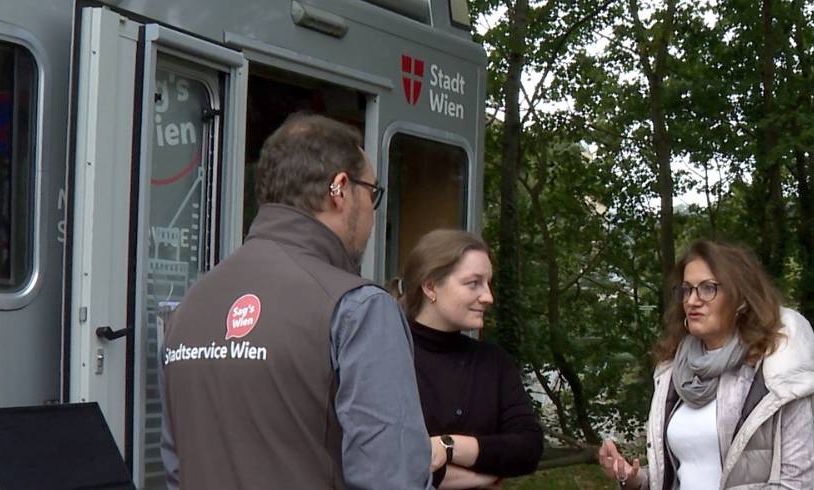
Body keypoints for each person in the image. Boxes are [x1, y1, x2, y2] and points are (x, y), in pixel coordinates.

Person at [159, 113, 439, 489]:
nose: (373, 213)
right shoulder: (358, 309)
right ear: (340, 189)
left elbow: (177, 469)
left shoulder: (190, 306)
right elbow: (393, 478)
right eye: (372, 192)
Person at [598, 240, 814, 490]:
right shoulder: (675, 369)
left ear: (741, 298)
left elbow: (799, 483)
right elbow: (685, 474)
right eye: (687, 289)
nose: (692, 300)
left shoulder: (778, 370)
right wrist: (634, 479)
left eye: (707, 288)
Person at [397, 229, 545, 489]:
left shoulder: (493, 363)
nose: (488, 297)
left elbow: (528, 447)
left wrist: (448, 446)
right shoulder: (388, 356)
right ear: (430, 286)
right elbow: (390, 461)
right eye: (473, 283)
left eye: (488, 283)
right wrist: (481, 476)